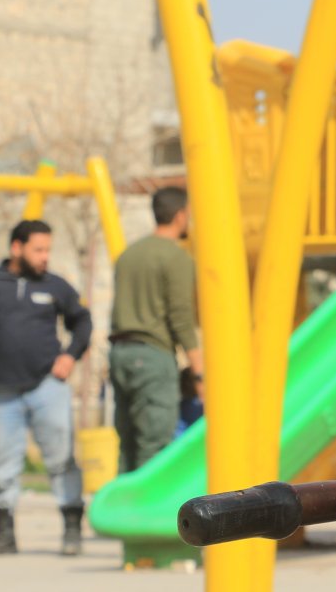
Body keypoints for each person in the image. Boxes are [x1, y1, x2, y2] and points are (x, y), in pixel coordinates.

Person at [0, 220, 91, 556]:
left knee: (60, 458)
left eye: (47, 250)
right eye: (38, 249)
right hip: (1, 391)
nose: (44, 257)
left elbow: (82, 321)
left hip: (47, 386)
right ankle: (3, 534)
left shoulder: (55, 286)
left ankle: (71, 528)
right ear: (16, 248)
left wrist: (70, 356)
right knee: (3, 464)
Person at [109, 186, 202, 472]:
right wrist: (199, 372)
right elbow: (181, 317)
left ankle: (119, 513)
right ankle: (147, 516)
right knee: (155, 446)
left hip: (119, 354)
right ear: (179, 215)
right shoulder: (176, 258)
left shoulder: (128, 255)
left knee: (128, 443)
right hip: (152, 357)